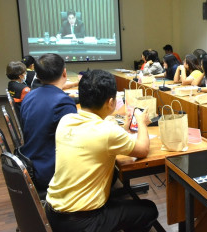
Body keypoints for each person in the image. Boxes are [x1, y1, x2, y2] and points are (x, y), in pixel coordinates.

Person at [45, 70, 158, 232]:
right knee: (148, 209)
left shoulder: (66, 120)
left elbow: (97, 141)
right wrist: (141, 122)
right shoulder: (107, 131)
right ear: (111, 102)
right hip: (82, 222)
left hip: (53, 213)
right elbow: (143, 149)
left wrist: (123, 127)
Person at [20, 53, 77, 190]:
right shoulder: (63, 102)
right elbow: (76, 142)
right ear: (64, 72)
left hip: (31, 163)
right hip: (50, 172)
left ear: (37, 75)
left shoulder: (30, 96)